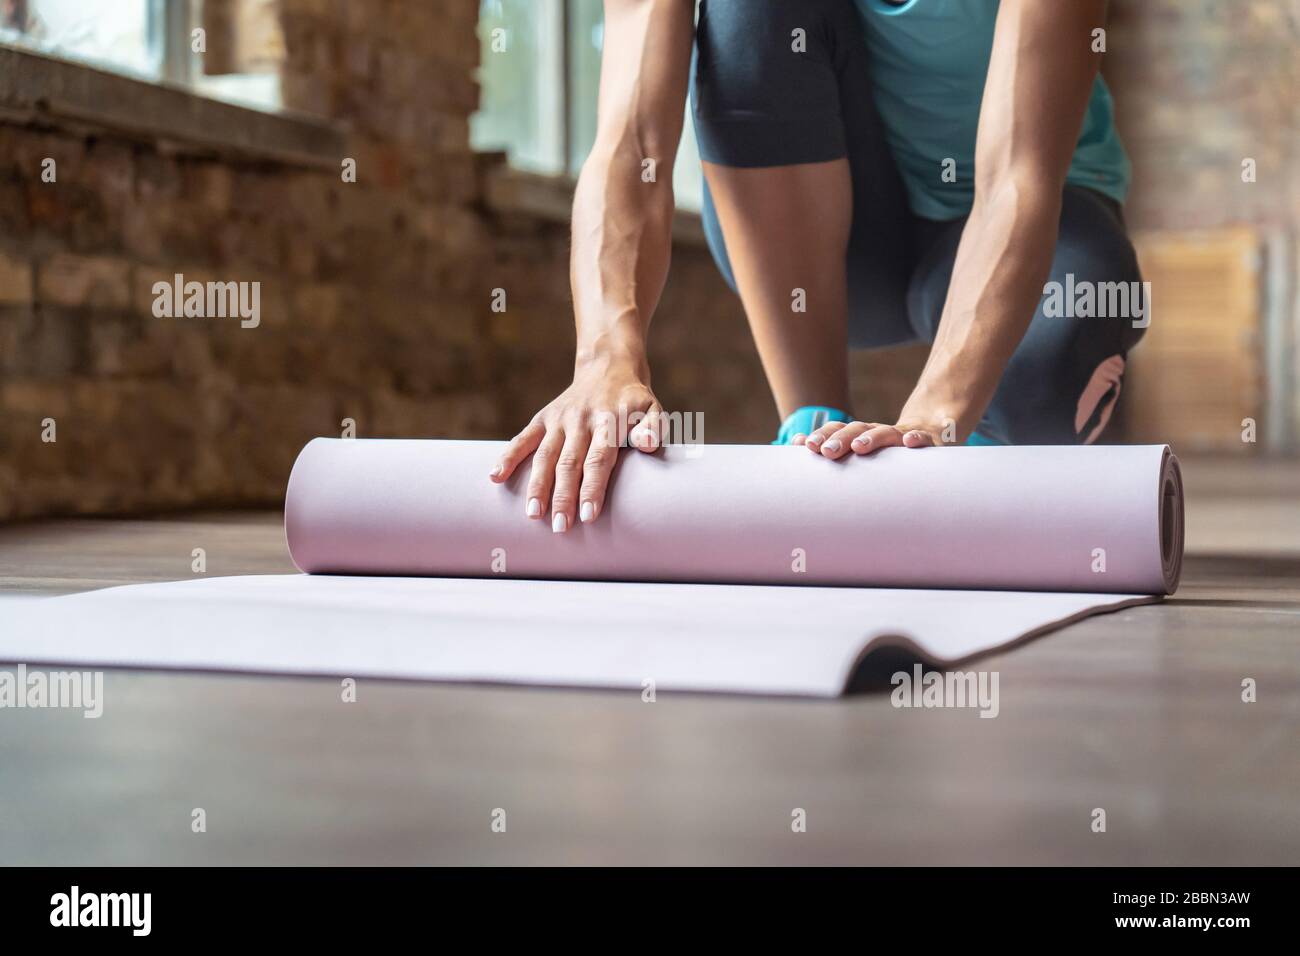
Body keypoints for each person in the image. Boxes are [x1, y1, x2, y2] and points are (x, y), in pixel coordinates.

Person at [489, 0, 1144, 534]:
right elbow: (631, 142)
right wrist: (605, 358)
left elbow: (1017, 179)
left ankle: (976, 456)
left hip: (1028, 221)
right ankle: (810, 434)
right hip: (836, 241)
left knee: (1059, 349)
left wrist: (928, 427)